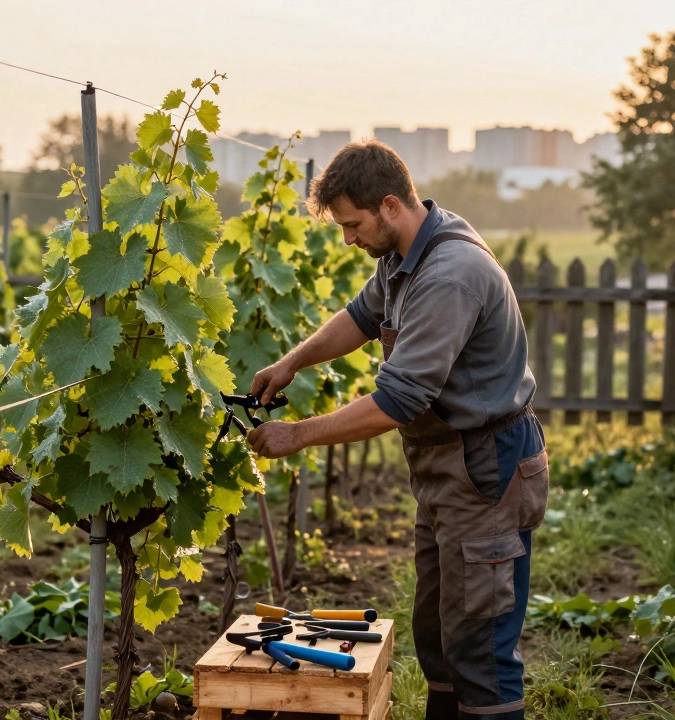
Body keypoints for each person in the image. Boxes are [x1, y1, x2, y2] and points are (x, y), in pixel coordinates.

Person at [245, 140, 547, 720]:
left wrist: (299, 434)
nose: (348, 240)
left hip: (486, 468)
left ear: (389, 205)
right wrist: (292, 362)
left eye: (352, 225)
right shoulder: (406, 254)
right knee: (438, 634)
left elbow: (398, 401)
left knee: (480, 647)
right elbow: (359, 318)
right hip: (448, 467)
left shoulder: (449, 275)